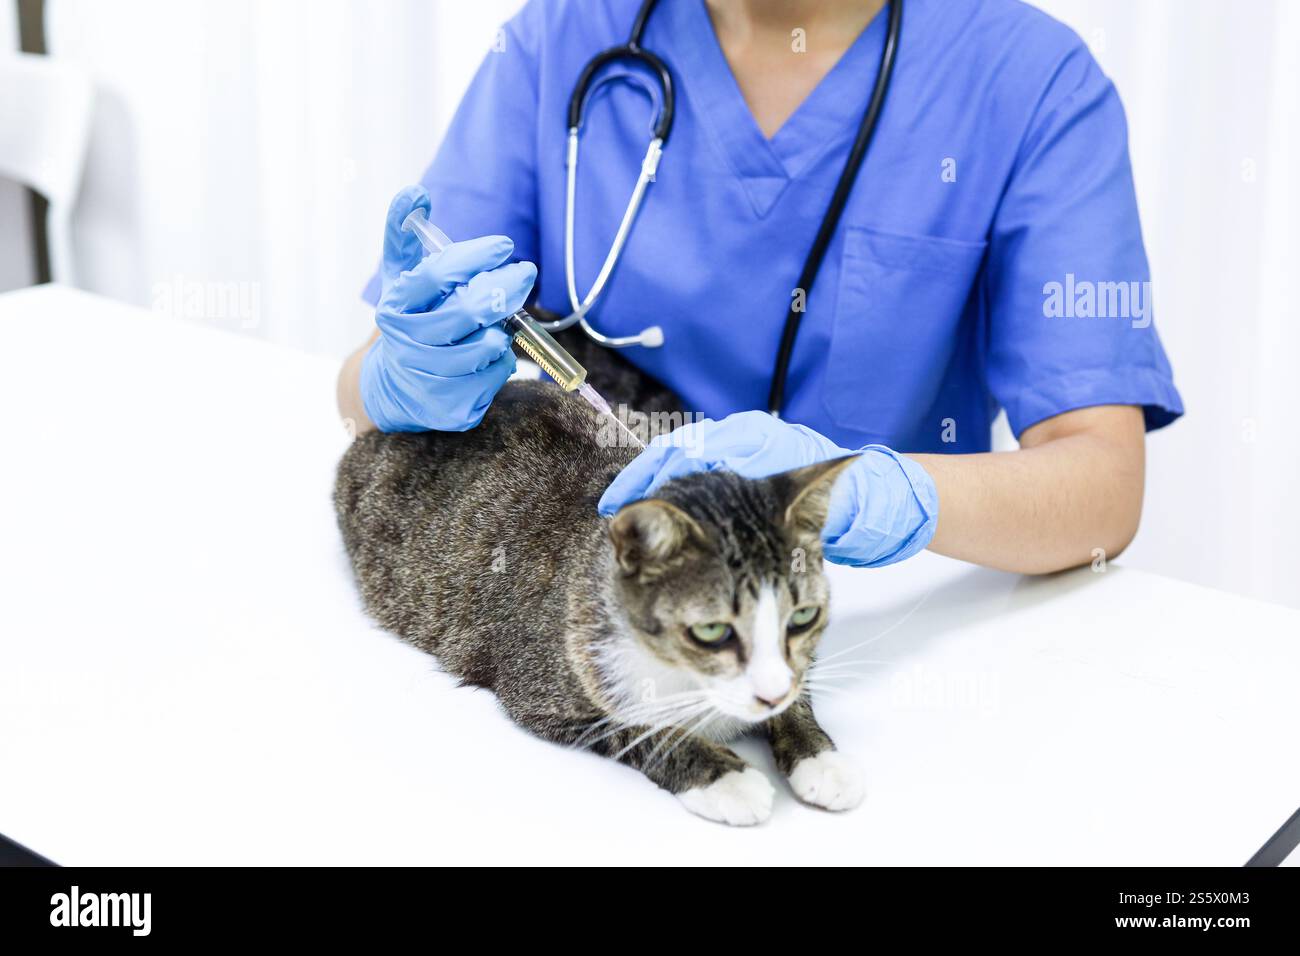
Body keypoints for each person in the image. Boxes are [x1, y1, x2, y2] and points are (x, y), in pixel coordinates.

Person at [337, 0, 1182, 575]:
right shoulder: (566, 30)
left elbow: (1102, 488)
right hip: (605, 576)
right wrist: (397, 376)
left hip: (882, 618)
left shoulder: (1030, 80)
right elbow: (367, 379)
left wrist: (868, 491)